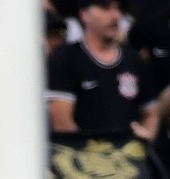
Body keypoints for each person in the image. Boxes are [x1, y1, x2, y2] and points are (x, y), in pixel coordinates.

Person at [46, 0, 160, 141]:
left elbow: (151, 113)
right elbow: (62, 122)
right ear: (84, 14)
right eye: (105, 8)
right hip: (84, 157)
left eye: (118, 8)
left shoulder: (135, 61)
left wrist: (146, 138)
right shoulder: (64, 60)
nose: (115, 15)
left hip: (128, 158)